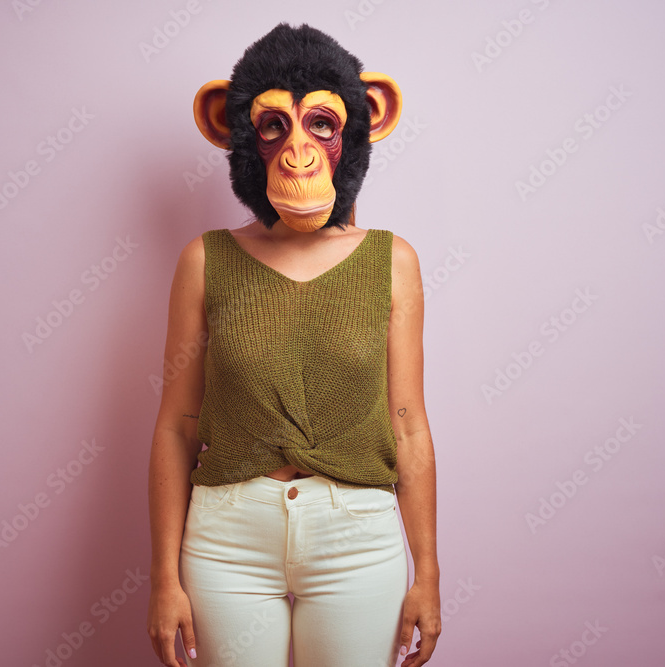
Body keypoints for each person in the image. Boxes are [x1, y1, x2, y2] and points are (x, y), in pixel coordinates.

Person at [147, 23, 440, 667]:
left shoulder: (393, 263)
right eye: (275, 127)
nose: (298, 152)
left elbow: (410, 424)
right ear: (234, 129)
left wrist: (428, 573)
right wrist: (164, 579)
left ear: (366, 121)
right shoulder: (205, 260)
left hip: (358, 538)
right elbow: (175, 427)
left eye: (321, 127)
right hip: (228, 538)